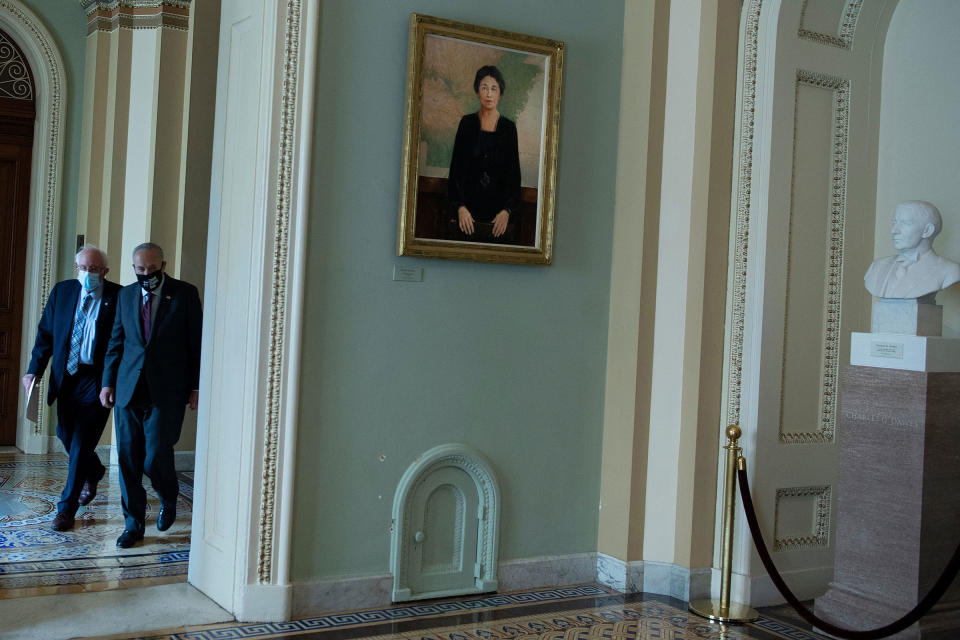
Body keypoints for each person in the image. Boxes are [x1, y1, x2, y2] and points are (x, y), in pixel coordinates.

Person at [100, 242, 202, 548]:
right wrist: (108, 382)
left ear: (164, 265)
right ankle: (133, 525)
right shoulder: (125, 295)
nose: (146, 274)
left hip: (167, 391)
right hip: (129, 388)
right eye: (140, 269)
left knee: (155, 454)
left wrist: (197, 387)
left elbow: (196, 344)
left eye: (152, 269)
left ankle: (168, 496)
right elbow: (116, 342)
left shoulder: (184, 294)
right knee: (128, 459)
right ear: (134, 268)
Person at [23, 245, 121, 531]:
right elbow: (46, 334)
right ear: (75, 267)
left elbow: (122, 342)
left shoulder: (117, 296)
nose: (87, 274)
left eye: (93, 269)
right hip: (66, 376)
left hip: (97, 378)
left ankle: (66, 508)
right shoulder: (62, 292)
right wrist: (34, 370)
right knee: (65, 435)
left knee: (80, 442)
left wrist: (111, 382)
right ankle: (95, 470)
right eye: (83, 268)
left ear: (105, 271)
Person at [447, 65, 522, 241]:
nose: (489, 94)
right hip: (467, 215)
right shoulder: (466, 124)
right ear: (477, 91)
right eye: (484, 88)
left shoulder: (508, 128)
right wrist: (460, 208)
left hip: (497, 218)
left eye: (493, 88)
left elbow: (514, 177)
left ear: (500, 93)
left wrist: (506, 211)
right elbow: (455, 172)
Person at [864, 200, 960, 299]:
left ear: (927, 231)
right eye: (894, 222)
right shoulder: (877, 266)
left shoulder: (950, 271)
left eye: (905, 223)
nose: (894, 231)